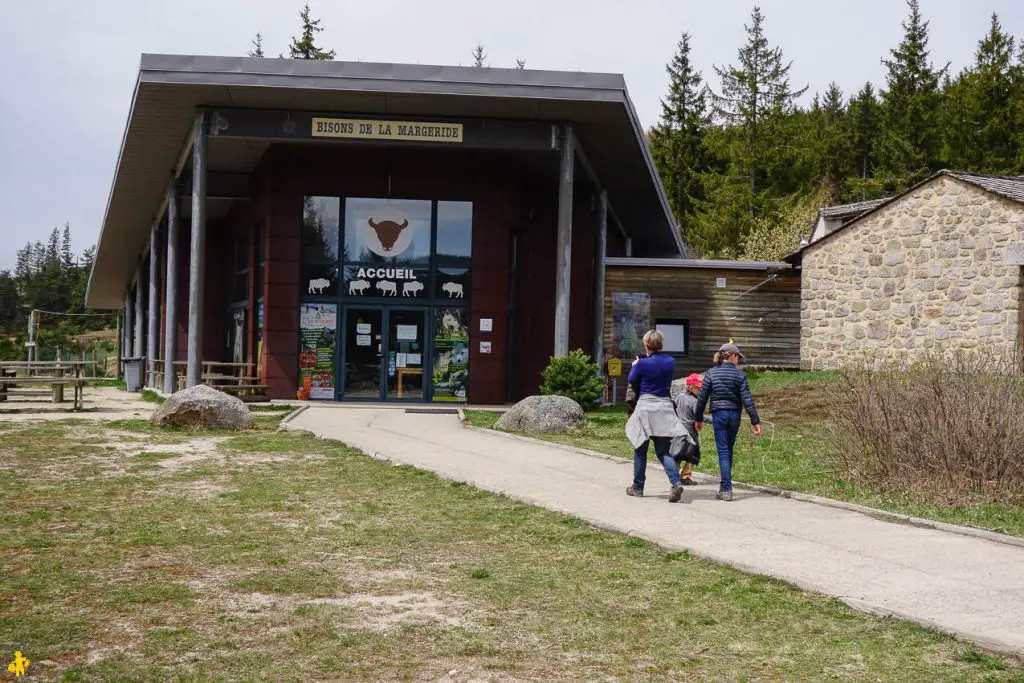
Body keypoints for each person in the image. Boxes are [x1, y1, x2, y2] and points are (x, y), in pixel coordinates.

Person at [624, 330, 688, 503]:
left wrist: (636, 365)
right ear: (661, 343)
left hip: (645, 408)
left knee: (640, 449)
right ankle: (675, 482)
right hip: (664, 408)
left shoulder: (642, 364)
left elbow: (632, 379)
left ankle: (638, 487)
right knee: (662, 451)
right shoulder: (670, 362)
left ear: (646, 345)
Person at [694, 342, 761, 502]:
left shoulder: (711, 373)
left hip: (719, 414)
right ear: (731, 356)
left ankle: (727, 489)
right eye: (738, 356)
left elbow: (702, 398)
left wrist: (698, 418)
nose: (739, 359)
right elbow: (747, 399)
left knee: (723, 451)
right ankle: (724, 486)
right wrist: (755, 420)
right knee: (728, 450)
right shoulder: (740, 376)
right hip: (734, 416)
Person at [673, 373, 705, 486]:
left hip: (678, 430)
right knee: (693, 453)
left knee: (678, 452)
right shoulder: (695, 401)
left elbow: (673, 408)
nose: (700, 390)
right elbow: (699, 417)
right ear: (690, 387)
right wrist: (714, 420)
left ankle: (674, 476)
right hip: (690, 431)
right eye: (698, 388)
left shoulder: (679, 396)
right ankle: (685, 476)